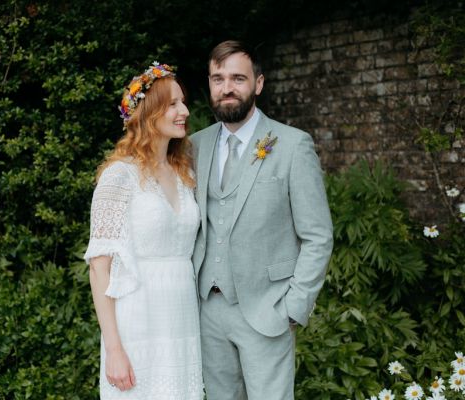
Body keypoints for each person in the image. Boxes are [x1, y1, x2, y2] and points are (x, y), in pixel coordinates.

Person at [190, 40, 333, 400]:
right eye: (217, 78)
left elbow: (318, 236)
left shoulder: (291, 144)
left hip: (267, 311)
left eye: (238, 78)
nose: (227, 88)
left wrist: (294, 306)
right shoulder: (195, 146)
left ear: (259, 83)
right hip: (207, 309)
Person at [84, 62, 203, 399]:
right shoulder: (118, 176)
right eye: (173, 104)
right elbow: (99, 267)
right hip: (137, 321)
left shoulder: (185, 174)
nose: (184, 111)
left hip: (180, 318)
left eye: (183, 101)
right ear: (149, 113)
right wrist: (114, 349)